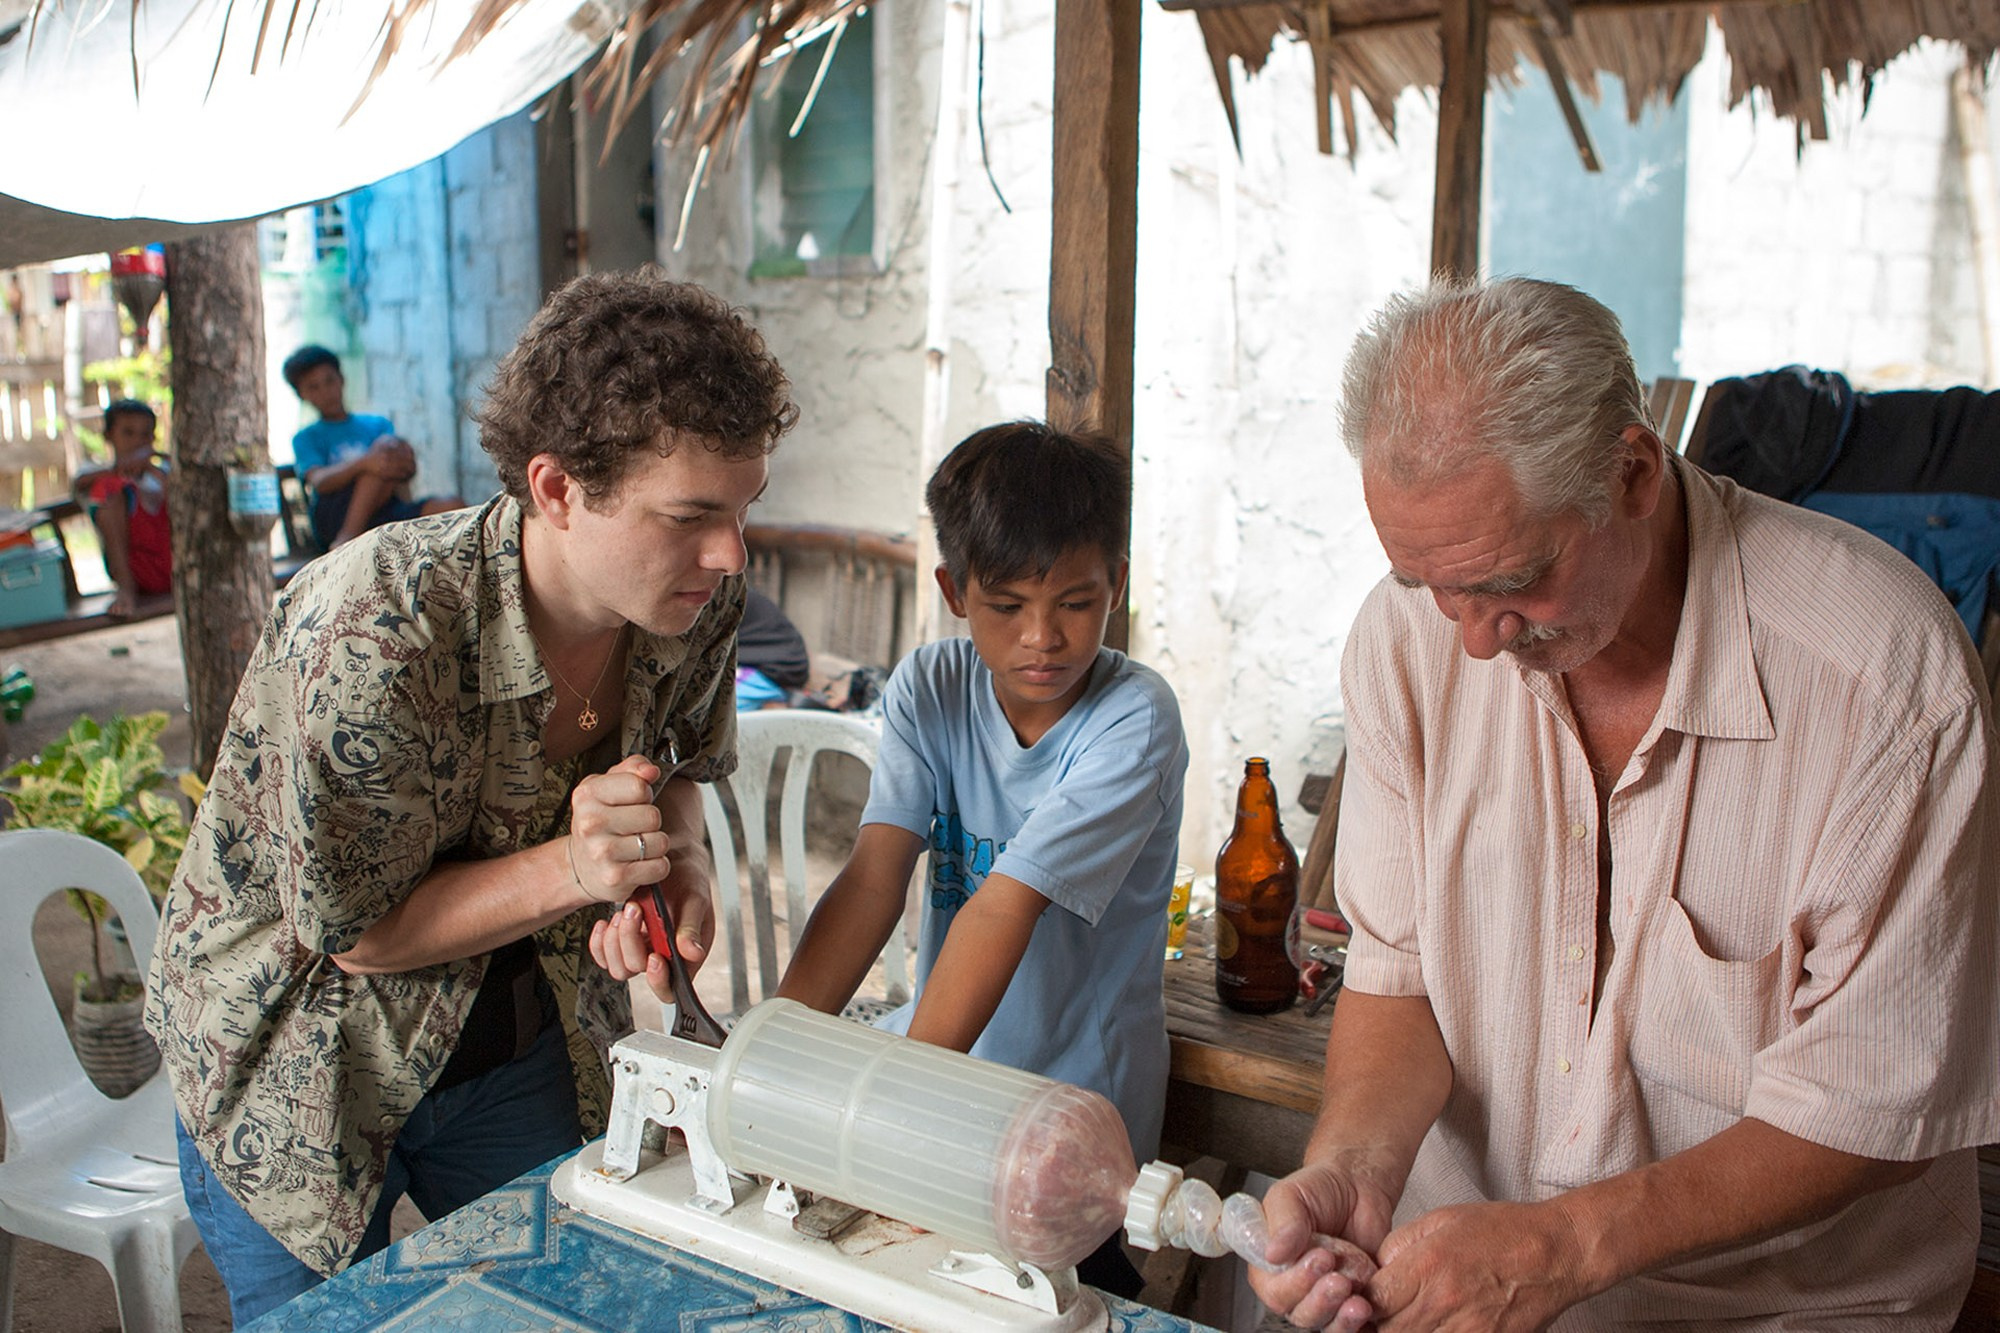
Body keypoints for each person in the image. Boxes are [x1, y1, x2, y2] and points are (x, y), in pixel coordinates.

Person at [1251, 277, 2000, 1331]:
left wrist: (1564, 1247)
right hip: (1468, 1282)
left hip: (1781, 1312)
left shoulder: (1878, 679)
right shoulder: (1402, 638)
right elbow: (1399, 978)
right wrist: (1353, 1170)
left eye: (1513, 576)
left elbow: (1872, 1105)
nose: (1472, 638)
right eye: (1431, 584)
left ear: (1632, 472)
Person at [146, 270, 797, 1326]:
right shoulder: (372, 631)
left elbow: (674, 764)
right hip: (297, 1059)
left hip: (511, 1031)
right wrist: (578, 870)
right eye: (689, 515)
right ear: (554, 489)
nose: (726, 554)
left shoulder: (692, 601)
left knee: (571, 1302)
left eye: (740, 510)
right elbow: (353, 934)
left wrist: (676, 864)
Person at [592, 419, 1190, 1298]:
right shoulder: (931, 687)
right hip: (946, 1076)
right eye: (1008, 604)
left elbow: (1003, 905)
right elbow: (873, 878)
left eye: (1075, 602)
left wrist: (886, 1095)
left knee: (1053, 1297)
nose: (1043, 638)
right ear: (952, 589)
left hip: (1070, 1101)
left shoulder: (1132, 720)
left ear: (1119, 586)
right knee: (906, 1287)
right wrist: (762, 1065)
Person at [282, 344, 465, 549]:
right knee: (377, 464)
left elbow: (401, 468)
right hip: (336, 517)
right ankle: (345, 542)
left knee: (453, 506)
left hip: (385, 510)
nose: (326, 392)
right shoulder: (307, 437)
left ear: (341, 379)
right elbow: (319, 480)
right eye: (313, 387)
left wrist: (405, 462)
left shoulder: (376, 424)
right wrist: (363, 464)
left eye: (329, 380)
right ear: (302, 395)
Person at [82, 398, 170, 616]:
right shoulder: (97, 475)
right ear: (108, 436)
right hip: (134, 574)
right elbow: (79, 484)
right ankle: (126, 591)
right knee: (110, 491)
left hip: (176, 568)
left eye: (145, 434)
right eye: (128, 433)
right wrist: (122, 469)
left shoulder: (162, 473)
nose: (137, 441)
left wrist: (152, 465)